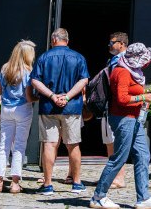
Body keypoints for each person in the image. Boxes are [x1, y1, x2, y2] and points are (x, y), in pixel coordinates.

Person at [89, 42, 151, 209]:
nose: (147, 63)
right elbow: (122, 99)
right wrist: (144, 98)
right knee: (119, 158)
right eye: (145, 59)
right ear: (137, 58)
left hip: (133, 118)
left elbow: (135, 92)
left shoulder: (132, 71)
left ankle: (144, 198)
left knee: (143, 155)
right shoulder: (122, 72)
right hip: (123, 119)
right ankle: (98, 196)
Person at [30, 28, 89, 196]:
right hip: (71, 108)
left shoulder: (44, 57)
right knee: (73, 144)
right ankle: (77, 183)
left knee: (49, 144)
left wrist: (52, 96)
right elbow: (84, 80)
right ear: (67, 40)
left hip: (49, 107)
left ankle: (48, 185)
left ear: (53, 40)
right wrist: (68, 97)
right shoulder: (78, 57)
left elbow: (35, 80)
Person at [0, 40, 36, 194]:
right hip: (22, 108)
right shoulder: (28, 72)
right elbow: (29, 97)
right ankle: (15, 183)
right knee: (19, 146)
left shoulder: (6, 68)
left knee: (3, 145)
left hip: (6, 109)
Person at [100, 32, 129, 190]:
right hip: (113, 106)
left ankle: (119, 177)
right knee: (111, 142)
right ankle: (116, 177)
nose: (110, 45)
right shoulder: (116, 60)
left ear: (122, 44)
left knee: (115, 143)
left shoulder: (123, 60)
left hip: (116, 106)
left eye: (113, 42)